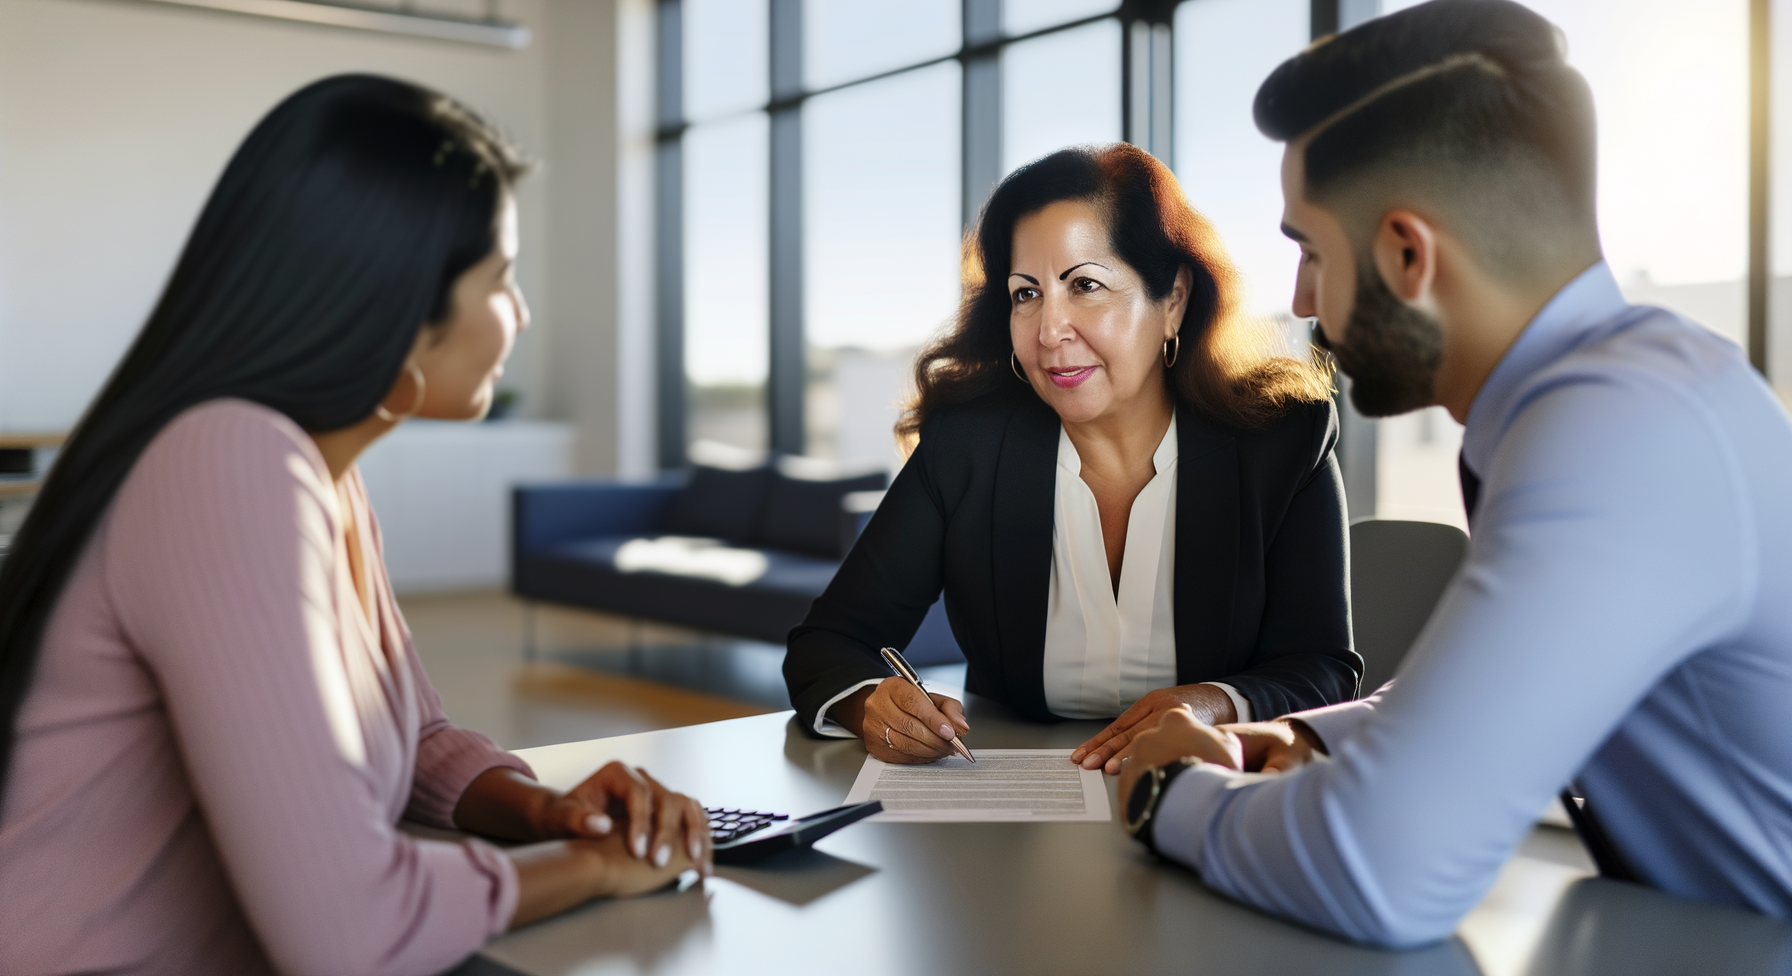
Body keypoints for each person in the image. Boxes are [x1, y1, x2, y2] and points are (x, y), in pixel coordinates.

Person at [1117, 0, 1792, 946]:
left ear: (1406, 253)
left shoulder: (1618, 434)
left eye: (1310, 252)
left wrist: (1167, 793)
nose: (1303, 298)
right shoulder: (1616, 396)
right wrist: (1312, 736)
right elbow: (1538, 663)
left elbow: (1381, 870)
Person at [0, 76, 712, 976]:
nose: (521, 315)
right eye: (502, 280)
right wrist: (597, 866)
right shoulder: (228, 462)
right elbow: (351, 932)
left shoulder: (323, 478)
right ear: (402, 308)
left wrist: (543, 810)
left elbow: (410, 739)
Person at [783, 144, 1359, 769]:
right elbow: (830, 642)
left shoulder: (1280, 438)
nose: (1048, 331)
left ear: (1173, 301)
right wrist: (869, 700)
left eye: (1084, 285)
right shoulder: (969, 443)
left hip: (1208, 792)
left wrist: (1214, 704)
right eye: (1025, 294)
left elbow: (1322, 666)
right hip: (1012, 809)